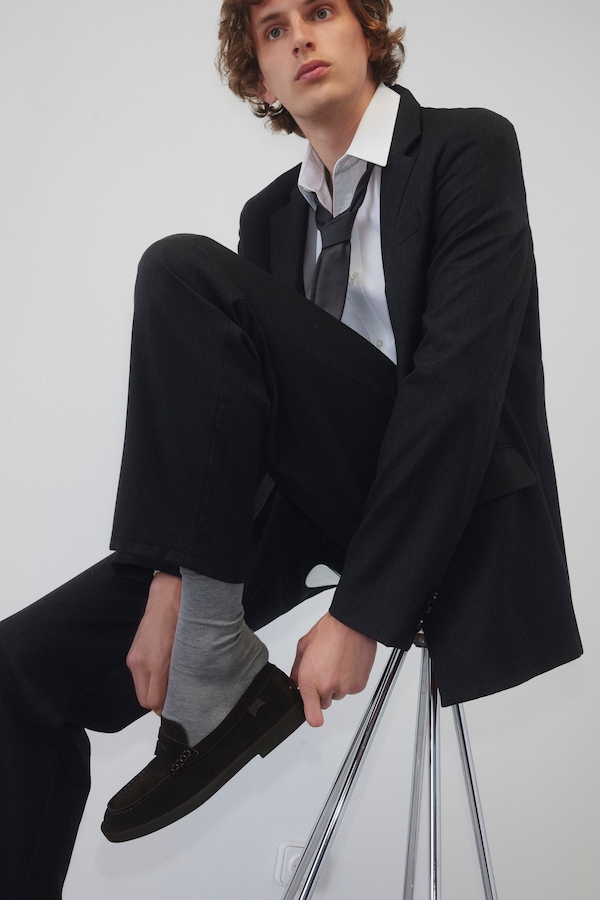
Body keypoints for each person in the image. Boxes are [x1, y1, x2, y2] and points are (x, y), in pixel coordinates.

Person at [0, 0, 583, 895]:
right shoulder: (270, 215)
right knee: (21, 668)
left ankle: (214, 668)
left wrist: (363, 612)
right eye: (273, 29)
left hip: (449, 502)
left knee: (179, 269)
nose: (300, 37)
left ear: (368, 31)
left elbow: (457, 395)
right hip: (313, 500)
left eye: (320, 11)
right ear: (260, 75)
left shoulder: (467, 149)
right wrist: (172, 576)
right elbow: (230, 423)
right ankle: (214, 663)